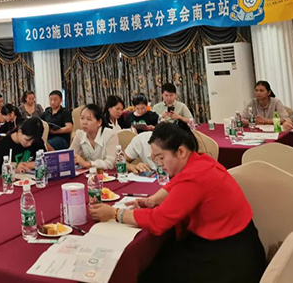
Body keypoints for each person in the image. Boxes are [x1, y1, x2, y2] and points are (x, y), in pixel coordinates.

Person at [89, 121, 266, 283]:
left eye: (161, 158)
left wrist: (114, 213)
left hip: (229, 257)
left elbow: (158, 221)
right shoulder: (199, 160)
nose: (159, 164)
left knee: (150, 272)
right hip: (235, 242)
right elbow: (175, 184)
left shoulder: (194, 177)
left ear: (181, 152)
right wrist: (152, 200)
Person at [70, 104, 119, 170]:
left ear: (99, 122)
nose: (84, 122)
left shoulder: (110, 135)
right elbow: (70, 155)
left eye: (89, 119)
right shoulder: (80, 134)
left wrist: (88, 164)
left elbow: (110, 163)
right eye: (82, 118)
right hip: (90, 173)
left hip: (109, 173)